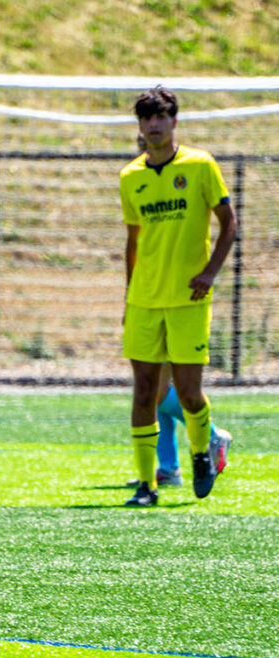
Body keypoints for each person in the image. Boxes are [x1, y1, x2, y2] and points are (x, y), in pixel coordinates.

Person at [120, 86, 237, 507]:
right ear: (140, 126)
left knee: (188, 394)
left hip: (188, 298)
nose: (153, 125)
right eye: (146, 118)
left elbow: (229, 223)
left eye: (161, 117)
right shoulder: (130, 177)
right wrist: (128, 298)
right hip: (144, 301)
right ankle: (147, 485)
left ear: (173, 121)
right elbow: (133, 243)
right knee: (144, 391)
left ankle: (203, 452)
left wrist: (210, 272)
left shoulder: (201, 166)